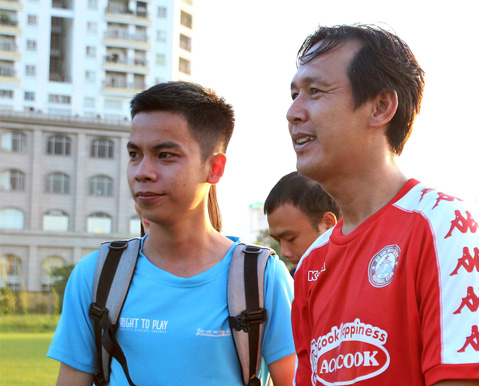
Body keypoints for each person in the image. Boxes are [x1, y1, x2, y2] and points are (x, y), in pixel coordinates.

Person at [287, 25, 479, 385]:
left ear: (381, 106)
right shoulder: (312, 263)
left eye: (315, 91)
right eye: (294, 94)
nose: (293, 112)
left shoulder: (446, 227)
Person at [47, 81, 296, 385]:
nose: (142, 171)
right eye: (135, 154)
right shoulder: (97, 275)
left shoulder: (260, 277)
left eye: (165, 155)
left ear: (214, 168)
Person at [264, 171, 340, 276]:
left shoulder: (364, 274)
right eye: (278, 241)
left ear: (327, 224)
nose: (284, 252)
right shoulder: (292, 283)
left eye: (291, 238)